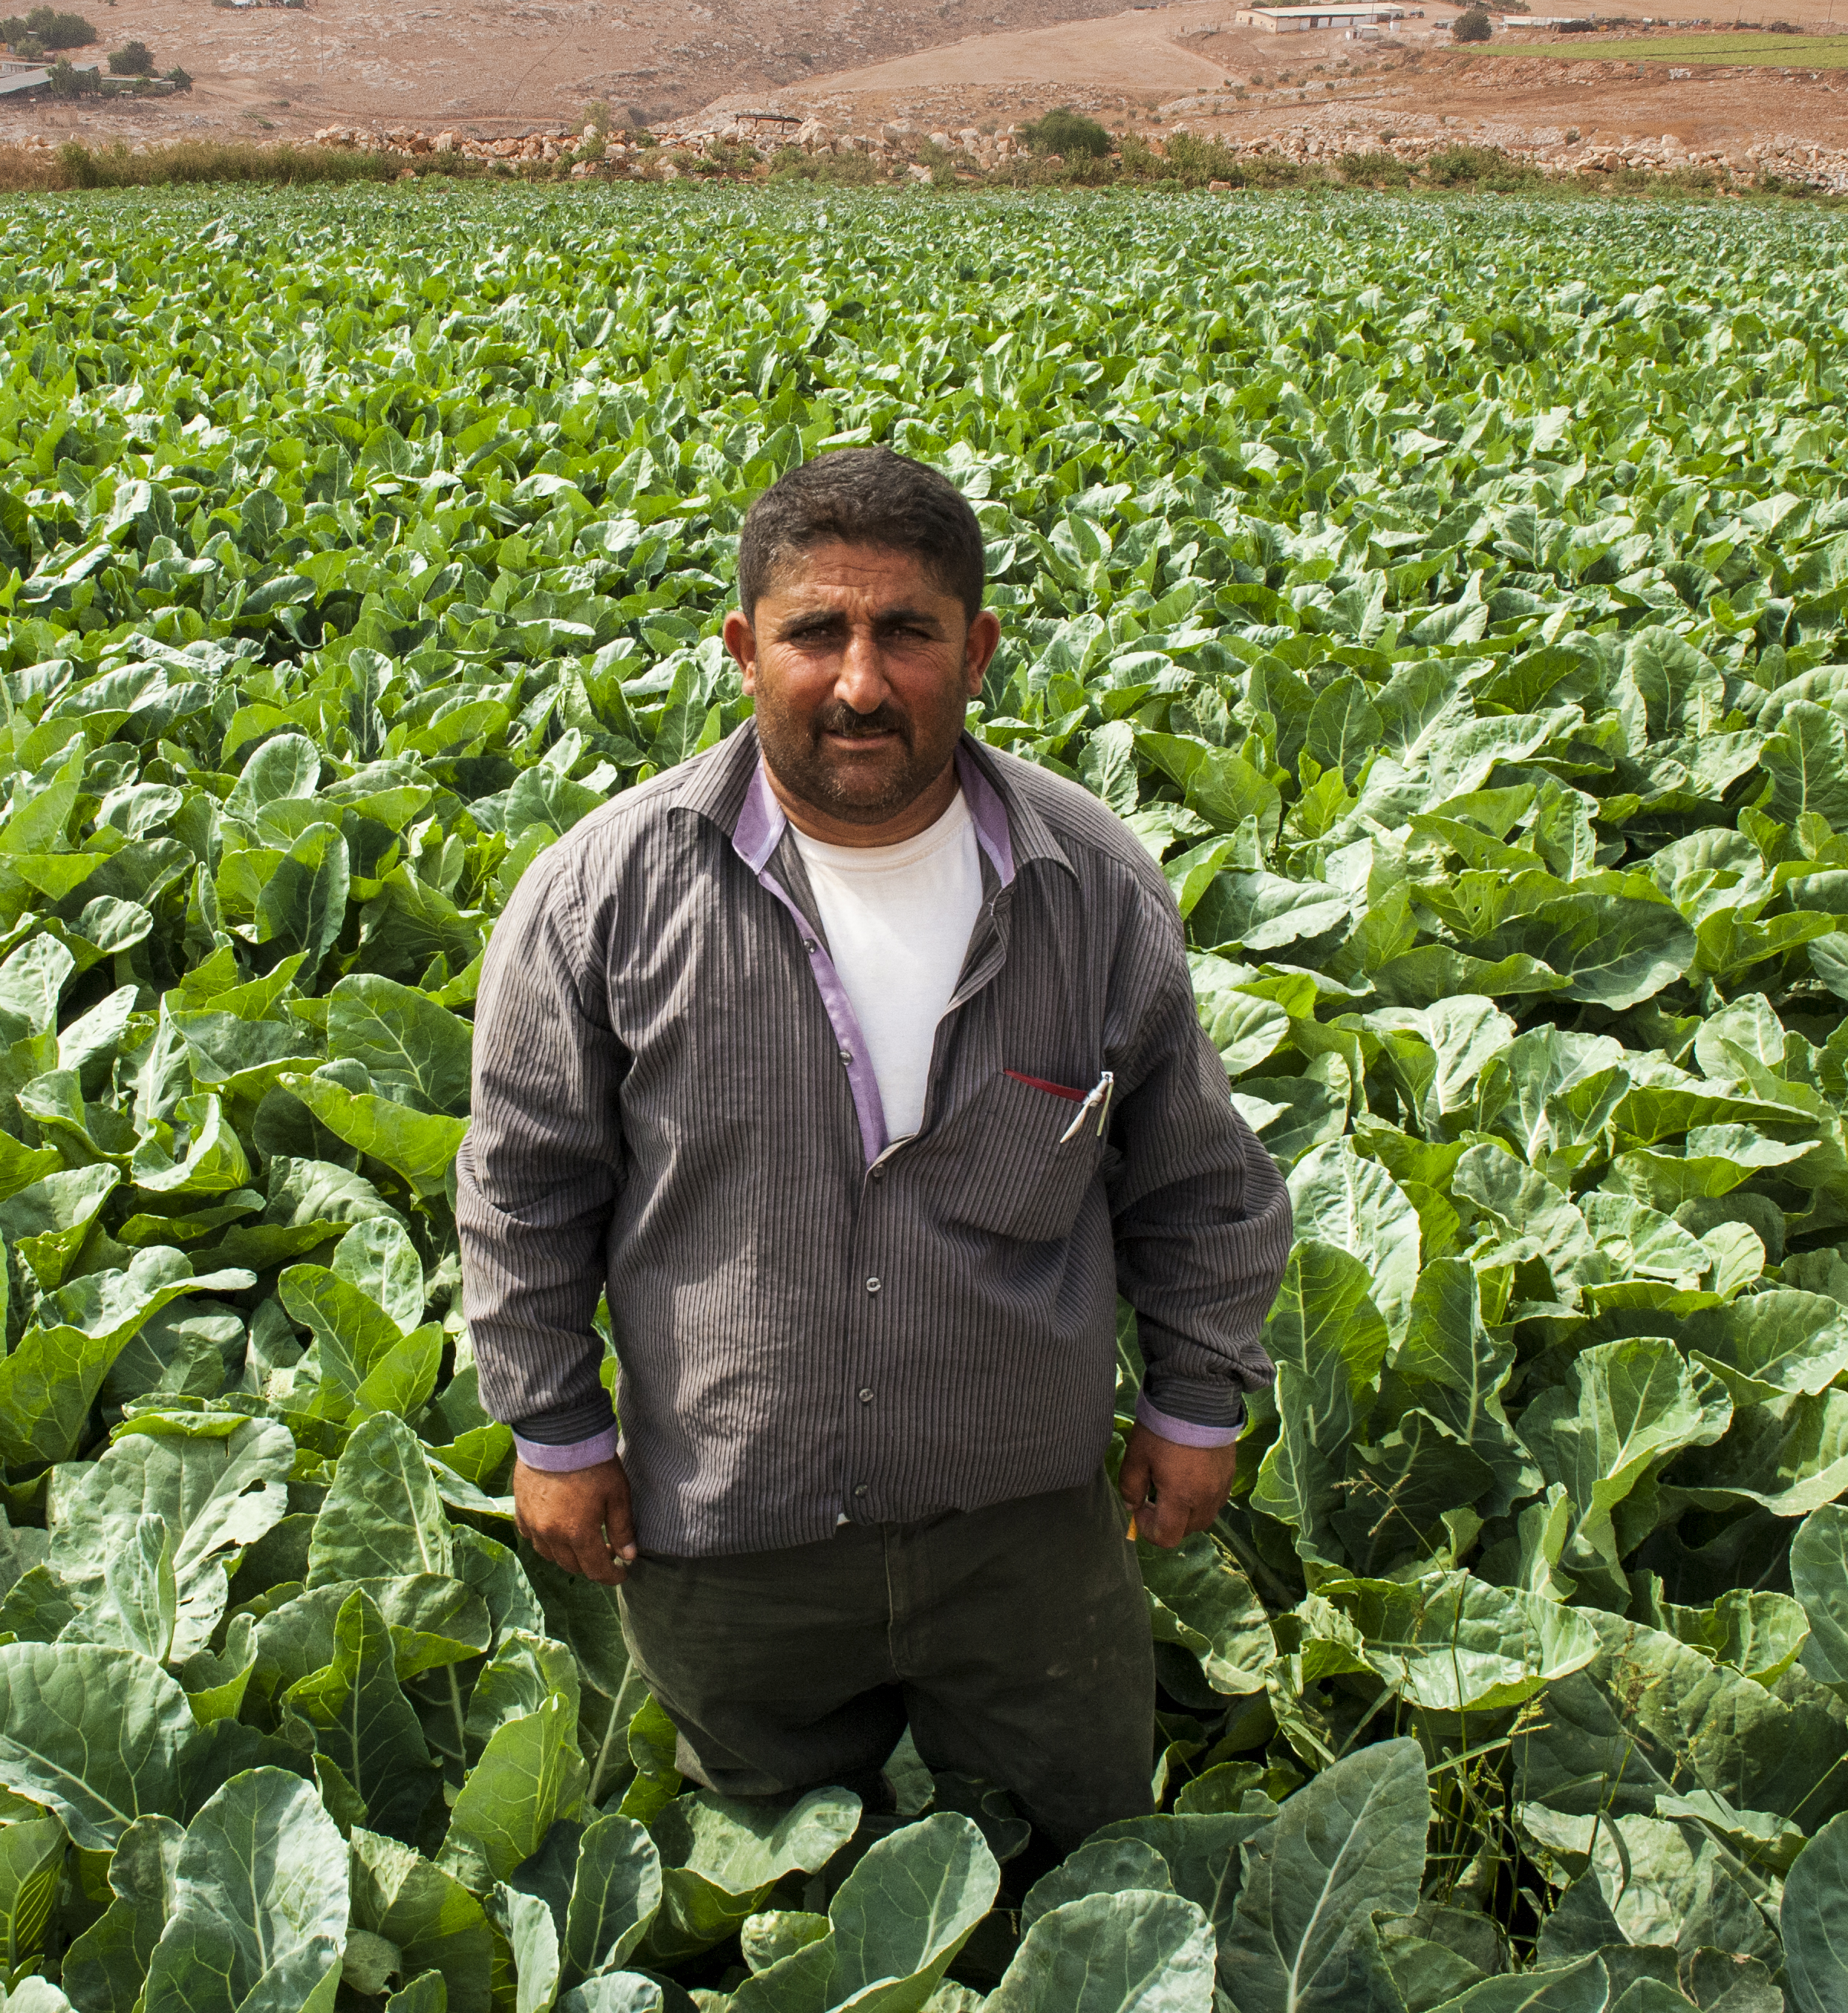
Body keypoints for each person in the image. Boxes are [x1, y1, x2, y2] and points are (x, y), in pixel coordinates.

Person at [458, 445, 1290, 1850]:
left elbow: (1192, 1175)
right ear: (741, 650)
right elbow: (526, 1181)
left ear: (977, 651)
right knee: (775, 1874)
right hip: (729, 1527)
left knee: (1075, 1856)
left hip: (1023, 1528)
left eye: (905, 633)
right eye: (814, 634)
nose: (859, 681)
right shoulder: (601, 895)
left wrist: (1197, 1400)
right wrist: (553, 1424)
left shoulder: (1089, 880)